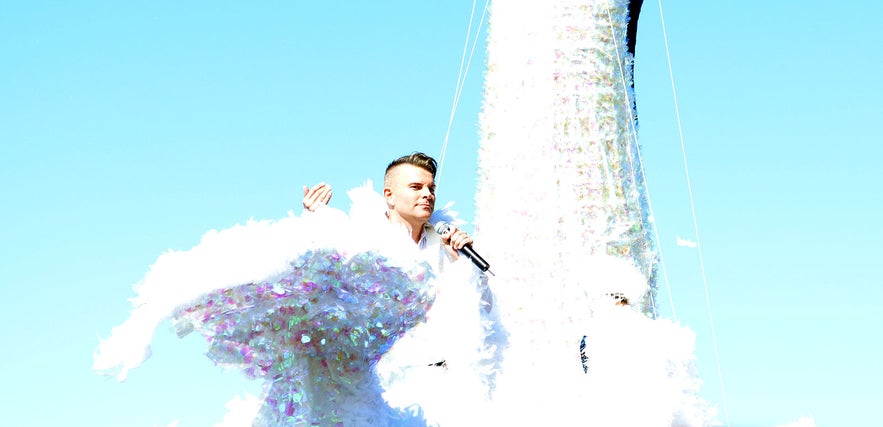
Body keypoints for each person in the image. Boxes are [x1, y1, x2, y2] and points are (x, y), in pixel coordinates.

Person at [302, 152, 475, 264]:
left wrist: (462, 262)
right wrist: (314, 222)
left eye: (431, 188)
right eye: (416, 187)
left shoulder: (444, 244)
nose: (427, 194)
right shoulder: (360, 237)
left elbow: (487, 308)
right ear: (389, 195)